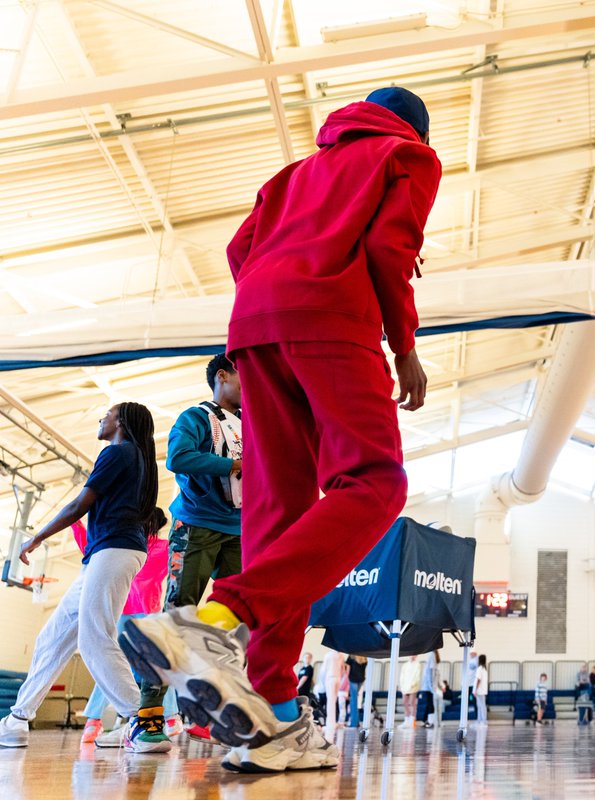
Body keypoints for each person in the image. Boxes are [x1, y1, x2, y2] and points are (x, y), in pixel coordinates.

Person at [119, 85, 441, 773]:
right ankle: (215, 617)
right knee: (376, 481)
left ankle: (275, 714)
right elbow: (389, 247)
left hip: (256, 329)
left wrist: (276, 289)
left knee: (277, 511)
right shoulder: (408, 155)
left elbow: (242, 250)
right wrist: (404, 345)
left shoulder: (290, 176)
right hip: (334, 319)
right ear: (415, 128)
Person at [0, 403, 157, 750]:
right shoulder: (135, 458)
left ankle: (144, 722)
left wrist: (37, 537)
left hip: (114, 551)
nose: (102, 418)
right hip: (105, 554)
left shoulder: (118, 452)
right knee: (51, 637)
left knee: (93, 639)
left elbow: (78, 506)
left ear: (121, 423)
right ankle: (17, 719)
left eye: (108, 414)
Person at [131, 353, 244, 746]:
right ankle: (147, 715)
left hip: (239, 529)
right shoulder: (197, 417)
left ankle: (206, 710)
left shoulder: (252, 424)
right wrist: (231, 466)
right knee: (179, 612)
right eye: (245, 377)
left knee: (239, 619)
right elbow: (178, 457)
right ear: (223, 376)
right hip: (196, 524)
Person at [77, 509, 178, 748]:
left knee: (111, 664)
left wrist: (76, 522)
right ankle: (171, 718)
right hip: (144, 612)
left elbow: (86, 543)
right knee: (156, 666)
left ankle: (93, 721)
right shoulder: (161, 547)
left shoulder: (127, 545)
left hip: (126, 611)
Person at [419, 650, 439, 728]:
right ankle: (426, 720)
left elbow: (430, 673)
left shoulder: (431, 654)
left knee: (430, 704)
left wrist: (431, 687)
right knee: (429, 704)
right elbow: (429, 672)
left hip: (428, 686)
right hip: (427, 686)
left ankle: (430, 721)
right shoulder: (431, 654)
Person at [346, 655, 367, 729]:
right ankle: (356, 722)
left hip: (353, 679)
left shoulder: (351, 656)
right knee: (356, 701)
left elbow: (348, 670)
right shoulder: (364, 656)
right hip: (361, 680)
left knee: (353, 701)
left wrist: (345, 681)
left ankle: (353, 723)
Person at [400, 655, 421, 727]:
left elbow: (417, 677)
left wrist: (411, 685)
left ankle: (412, 720)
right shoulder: (405, 665)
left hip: (413, 687)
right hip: (405, 687)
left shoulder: (418, 664)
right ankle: (406, 720)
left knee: (412, 703)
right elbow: (402, 676)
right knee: (404, 702)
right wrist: (402, 686)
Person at [473, 655, 489, 726]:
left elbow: (478, 680)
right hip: (482, 691)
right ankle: (479, 721)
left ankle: (483, 721)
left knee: (481, 706)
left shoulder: (480, 668)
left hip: (480, 691)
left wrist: (475, 690)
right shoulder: (484, 669)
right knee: (480, 706)